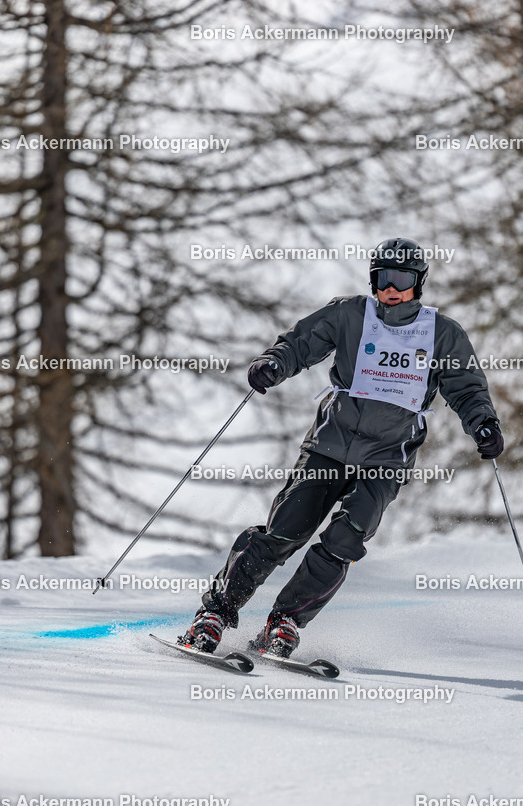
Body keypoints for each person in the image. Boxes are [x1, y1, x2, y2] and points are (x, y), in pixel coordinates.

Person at [179, 238, 504, 658]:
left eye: (402, 278)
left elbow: (467, 387)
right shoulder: (351, 314)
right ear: (374, 280)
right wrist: (275, 363)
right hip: (329, 446)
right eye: (384, 278)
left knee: (345, 540)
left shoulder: (441, 333)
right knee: (283, 531)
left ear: (418, 283)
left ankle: (285, 623)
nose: (392, 288)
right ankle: (215, 614)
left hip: (387, 459)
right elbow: (301, 342)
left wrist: (484, 424)